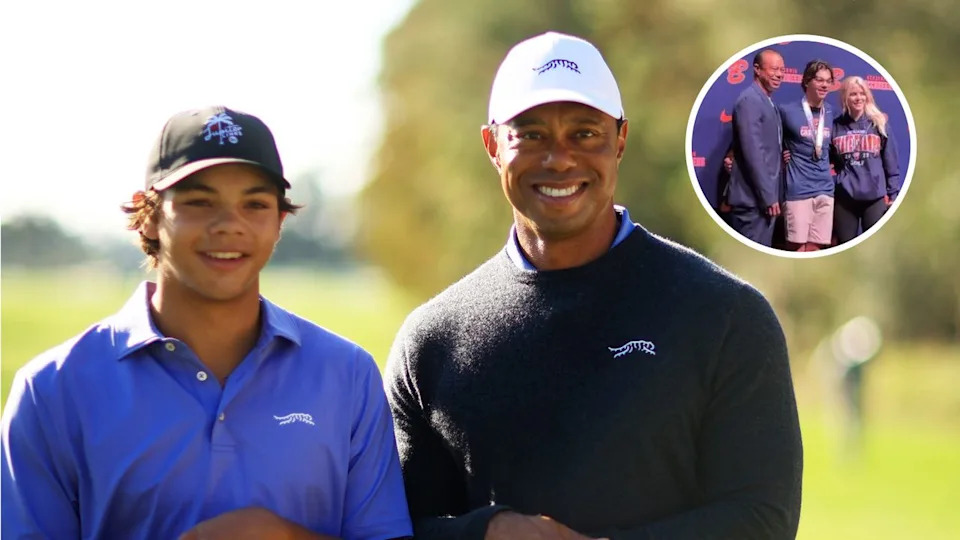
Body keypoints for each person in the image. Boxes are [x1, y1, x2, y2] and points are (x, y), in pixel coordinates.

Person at [386, 32, 802, 539]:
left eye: (585, 133)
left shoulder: (725, 315)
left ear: (620, 140)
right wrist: (487, 532)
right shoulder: (431, 342)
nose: (559, 159)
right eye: (531, 134)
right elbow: (393, 529)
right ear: (493, 145)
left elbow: (763, 519)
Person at [1, 106, 413, 540]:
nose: (229, 225)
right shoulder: (52, 389)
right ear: (151, 216)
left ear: (279, 222)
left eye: (254, 204)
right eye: (200, 202)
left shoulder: (347, 374)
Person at [725, 49, 786, 247]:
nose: (779, 74)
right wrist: (768, 196)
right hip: (752, 201)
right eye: (774, 69)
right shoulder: (749, 101)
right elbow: (753, 153)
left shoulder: (767, 102)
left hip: (763, 201)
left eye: (782, 70)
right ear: (757, 70)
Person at [830, 76, 901, 243]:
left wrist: (893, 194)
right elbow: (824, 157)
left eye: (862, 93)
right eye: (853, 94)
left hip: (874, 197)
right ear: (845, 97)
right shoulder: (835, 126)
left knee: (875, 246)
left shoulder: (878, 124)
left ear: (868, 96)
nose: (858, 98)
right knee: (845, 246)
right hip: (845, 198)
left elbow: (891, 162)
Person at [779, 59, 837, 251]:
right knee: (797, 248)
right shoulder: (787, 111)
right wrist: (781, 155)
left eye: (828, 81)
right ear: (806, 81)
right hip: (798, 190)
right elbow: (765, 140)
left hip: (825, 189)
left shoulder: (831, 112)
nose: (824, 85)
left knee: (815, 249)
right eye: (819, 80)